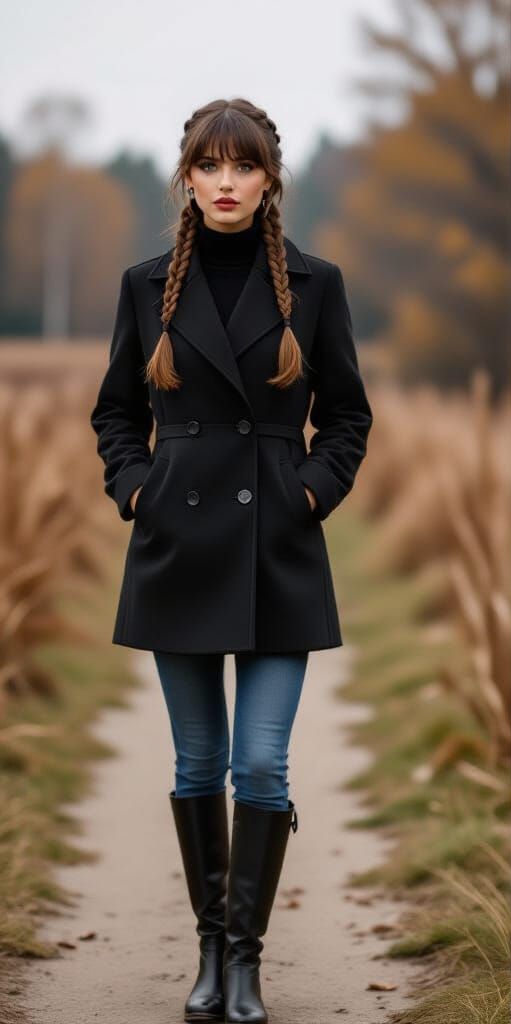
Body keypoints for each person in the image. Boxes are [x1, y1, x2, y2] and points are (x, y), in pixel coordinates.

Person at [90, 98, 373, 1024]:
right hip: (178, 545)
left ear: (268, 179)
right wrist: (138, 490)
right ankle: (211, 954)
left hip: (277, 549)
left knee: (261, 763)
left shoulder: (315, 283)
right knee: (197, 760)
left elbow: (348, 418)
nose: (224, 182)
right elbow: (115, 416)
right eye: (208, 165)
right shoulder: (143, 286)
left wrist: (305, 494)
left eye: (241, 167)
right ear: (186, 177)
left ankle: (246, 963)